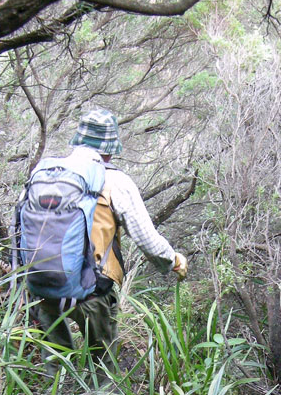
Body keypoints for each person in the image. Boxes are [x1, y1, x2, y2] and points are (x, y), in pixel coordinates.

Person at [30, 107, 187, 376]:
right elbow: (147, 240)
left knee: (55, 370)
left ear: (78, 140)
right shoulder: (115, 180)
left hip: (43, 282)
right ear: (111, 148)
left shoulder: (44, 173)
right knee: (103, 370)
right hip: (92, 287)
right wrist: (174, 261)